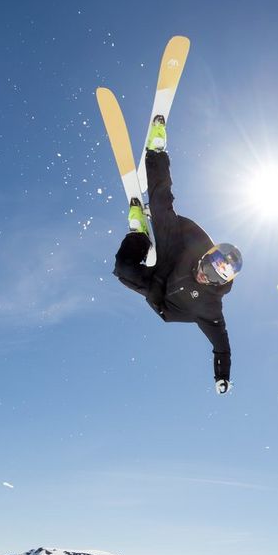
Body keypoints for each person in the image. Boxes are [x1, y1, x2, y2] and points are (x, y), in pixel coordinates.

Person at [113, 116, 242, 394]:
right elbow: (168, 209)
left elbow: (222, 347)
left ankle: (137, 236)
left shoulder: (211, 309)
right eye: (207, 265)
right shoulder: (197, 241)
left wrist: (222, 377)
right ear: (207, 255)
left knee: (122, 269)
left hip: (161, 296)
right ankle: (157, 152)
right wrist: (160, 216)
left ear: (219, 282)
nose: (203, 273)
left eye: (211, 276)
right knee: (160, 203)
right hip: (173, 256)